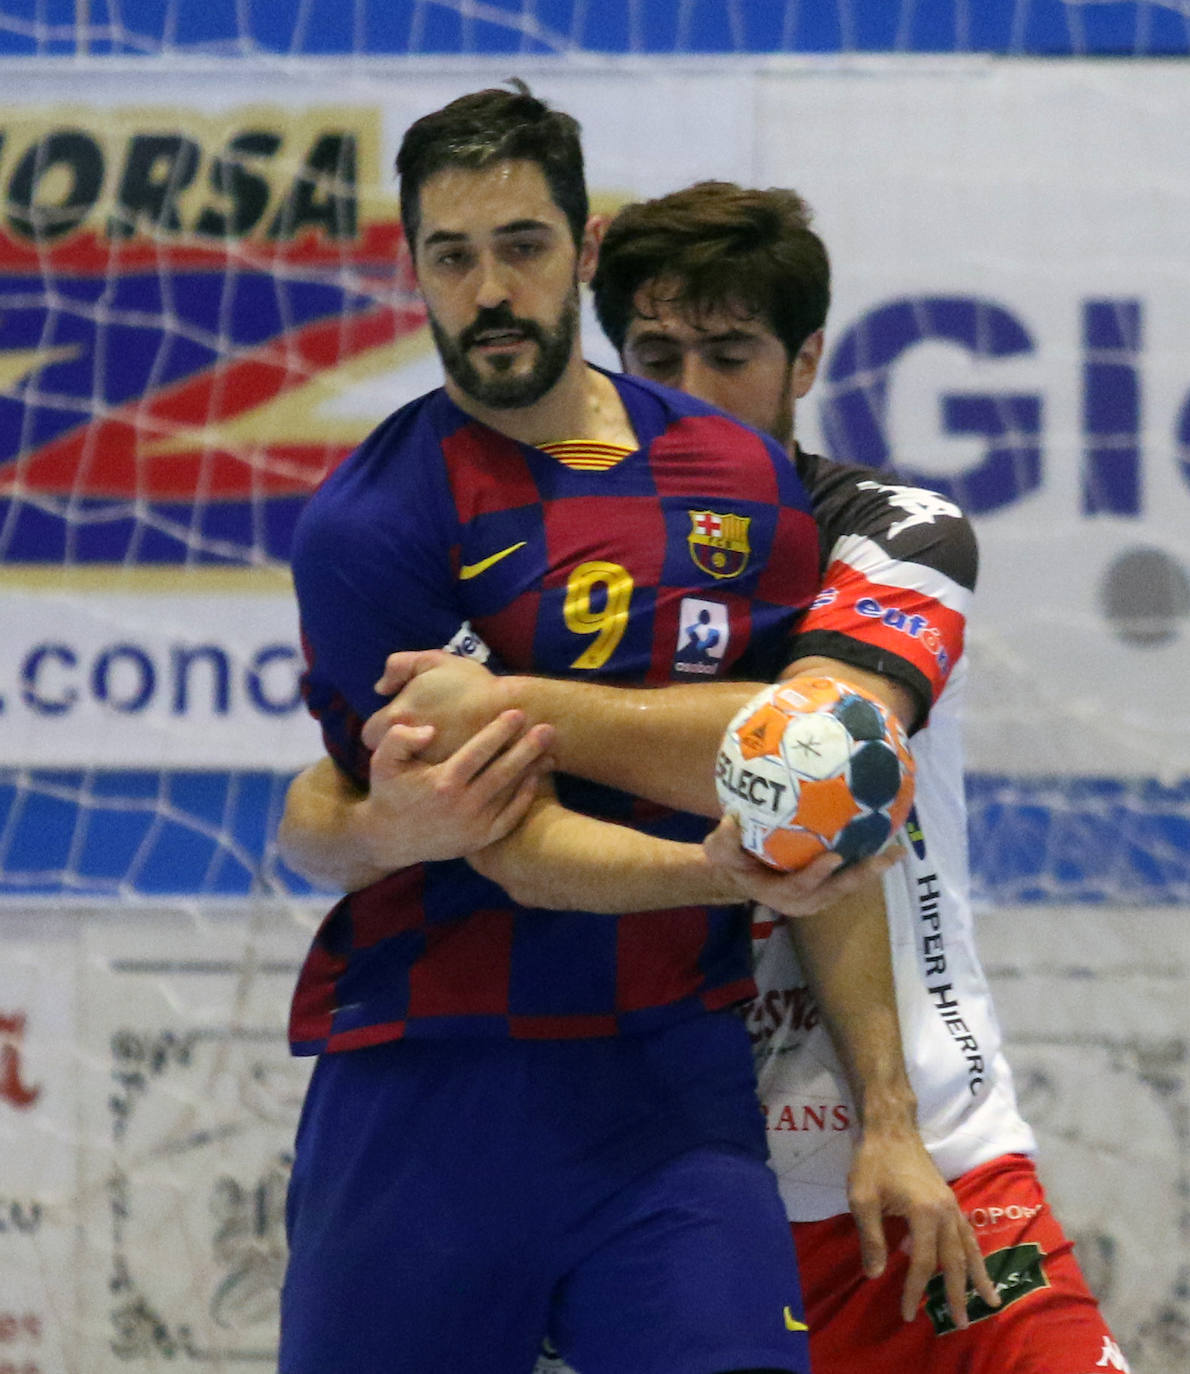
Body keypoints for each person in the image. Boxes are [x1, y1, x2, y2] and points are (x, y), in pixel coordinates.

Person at [284, 177, 1128, 1372]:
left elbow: (816, 746)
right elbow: (336, 793)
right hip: (672, 1146)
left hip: (915, 1145)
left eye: (728, 352)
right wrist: (366, 823)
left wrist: (502, 704)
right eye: (655, 352)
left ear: (806, 362)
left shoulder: (888, 532)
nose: (687, 389)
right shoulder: (549, 556)